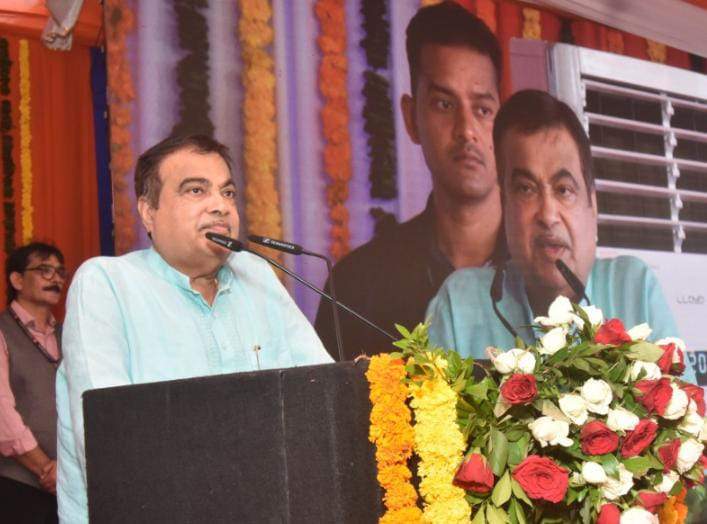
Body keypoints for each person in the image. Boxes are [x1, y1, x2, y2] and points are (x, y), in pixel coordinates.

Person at [56, 134, 333, 522]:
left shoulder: (256, 275)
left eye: (228, 192)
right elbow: (106, 439)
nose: (221, 206)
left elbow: (321, 392)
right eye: (196, 190)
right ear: (148, 212)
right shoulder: (107, 284)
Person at [427, 89, 697, 383]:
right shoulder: (459, 305)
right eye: (526, 189)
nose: (547, 214)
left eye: (564, 189)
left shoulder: (634, 288)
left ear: (592, 205)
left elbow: (685, 407)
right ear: (505, 205)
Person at [315, 1, 503, 360]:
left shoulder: (544, 270)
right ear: (412, 118)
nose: (467, 130)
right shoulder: (355, 287)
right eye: (444, 104)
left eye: (482, 109)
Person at [0, 242, 66, 523]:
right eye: (44, 270)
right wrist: (46, 468)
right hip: (17, 485)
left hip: (69, 482)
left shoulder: (70, 334)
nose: (56, 278)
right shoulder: (3, 330)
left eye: (60, 272)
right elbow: (3, 415)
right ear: (17, 280)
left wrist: (68, 469)